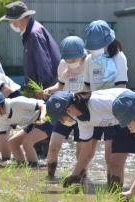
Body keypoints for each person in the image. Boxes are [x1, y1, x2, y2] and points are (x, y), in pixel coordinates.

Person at [83, 20, 135, 190]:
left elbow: (121, 87)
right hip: (94, 107)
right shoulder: (89, 60)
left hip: (115, 109)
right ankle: (99, 184)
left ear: (108, 42)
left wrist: (107, 104)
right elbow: (87, 86)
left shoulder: (118, 57)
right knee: (87, 147)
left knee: (113, 155)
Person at [46, 90, 135, 189]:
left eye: (60, 118)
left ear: (68, 110)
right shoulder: (82, 121)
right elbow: (86, 152)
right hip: (119, 124)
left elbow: (134, 105)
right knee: (114, 163)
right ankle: (117, 199)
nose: (61, 122)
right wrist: (75, 175)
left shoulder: (98, 102)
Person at [42, 36, 86, 178]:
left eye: (73, 60)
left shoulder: (90, 63)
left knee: (81, 152)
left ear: (81, 55)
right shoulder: (62, 65)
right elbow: (60, 85)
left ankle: (80, 179)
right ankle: (50, 177)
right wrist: (50, 90)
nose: (69, 63)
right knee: (53, 147)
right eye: (67, 60)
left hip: (83, 111)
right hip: (64, 109)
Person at [0, 91, 52, 167]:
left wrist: (42, 117)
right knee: (12, 143)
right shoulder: (1, 118)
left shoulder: (16, 102)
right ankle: (22, 166)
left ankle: (34, 168)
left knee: (27, 142)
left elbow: (43, 105)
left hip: (48, 116)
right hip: (33, 122)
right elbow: (0, 141)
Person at [0, 0, 60, 90]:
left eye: (11, 21)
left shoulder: (33, 34)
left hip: (46, 89)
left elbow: (43, 65)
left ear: (20, 18)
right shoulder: (31, 31)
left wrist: (42, 90)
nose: (10, 24)